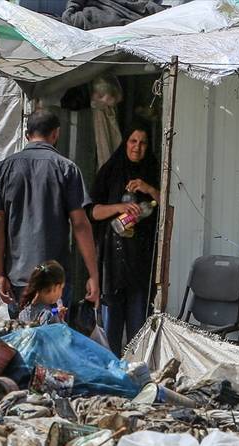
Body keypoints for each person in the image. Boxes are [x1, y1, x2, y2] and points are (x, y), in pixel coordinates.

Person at [0, 110, 100, 317]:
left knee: (22, 335)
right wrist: (93, 275)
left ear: (27, 135)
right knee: (53, 333)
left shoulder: (4, 169)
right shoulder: (67, 169)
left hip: (19, 281)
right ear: (56, 134)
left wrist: (0, 273)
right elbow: (80, 224)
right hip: (55, 283)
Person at [90, 126, 159, 354]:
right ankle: (110, 368)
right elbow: (92, 212)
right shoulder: (111, 171)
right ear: (125, 143)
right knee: (110, 330)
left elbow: (169, 204)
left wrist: (149, 189)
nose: (137, 147)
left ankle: (134, 368)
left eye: (143, 142)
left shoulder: (153, 171)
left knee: (138, 328)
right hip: (113, 261)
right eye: (133, 141)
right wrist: (119, 207)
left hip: (141, 262)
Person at [16, 260, 66, 325]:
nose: (61, 294)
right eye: (61, 288)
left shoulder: (23, 313)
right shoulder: (48, 315)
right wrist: (60, 321)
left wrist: (58, 317)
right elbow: (59, 331)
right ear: (55, 288)